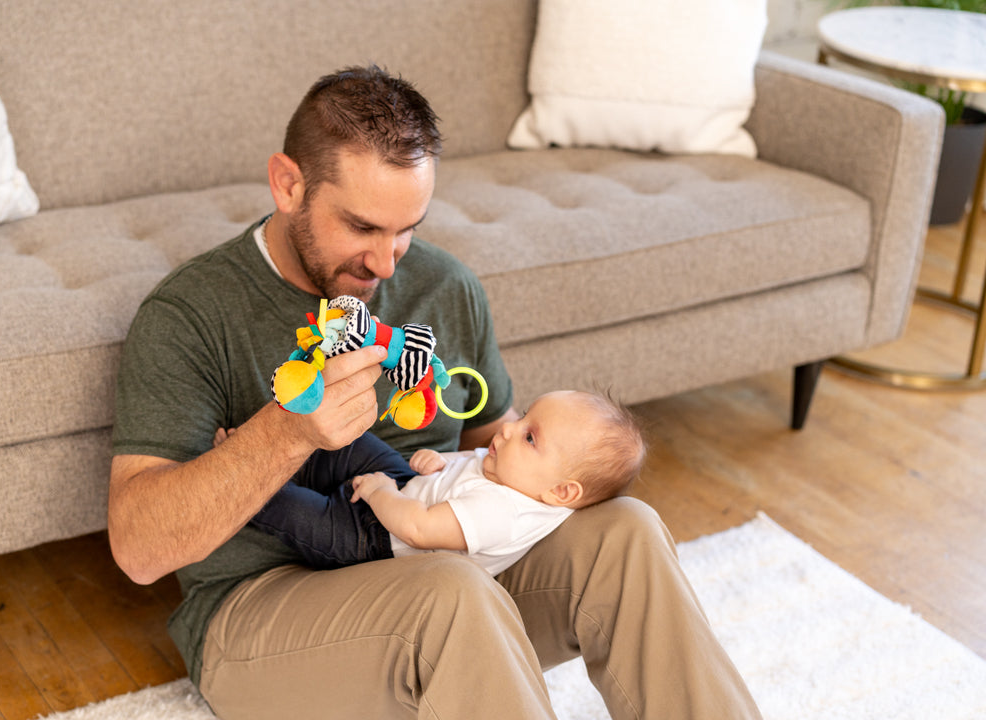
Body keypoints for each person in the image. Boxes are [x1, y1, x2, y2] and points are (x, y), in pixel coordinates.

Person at [109, 64, 762, 720]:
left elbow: (498, 450)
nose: (388, 264)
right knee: (450, 589)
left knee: (626, 531)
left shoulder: (444, 286)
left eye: (407, 228)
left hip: (441, 585)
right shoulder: (193, 312)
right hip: (263, 613)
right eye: (363, 228)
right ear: (288, 184)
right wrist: (290, 430)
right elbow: (139, 551)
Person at [244, 390, 645, 576]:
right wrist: (439, 461)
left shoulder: (502, 514)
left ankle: (247, 477)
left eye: (529, 437)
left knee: (296, 511)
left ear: (561, 492)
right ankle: (281, 448)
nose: (508, 429)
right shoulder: (515, 472)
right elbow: (466, 464)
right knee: (355, 443)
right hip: (406, 489)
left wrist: (381, 492)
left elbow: (419, 529)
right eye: (522, 416)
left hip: (378, 542)